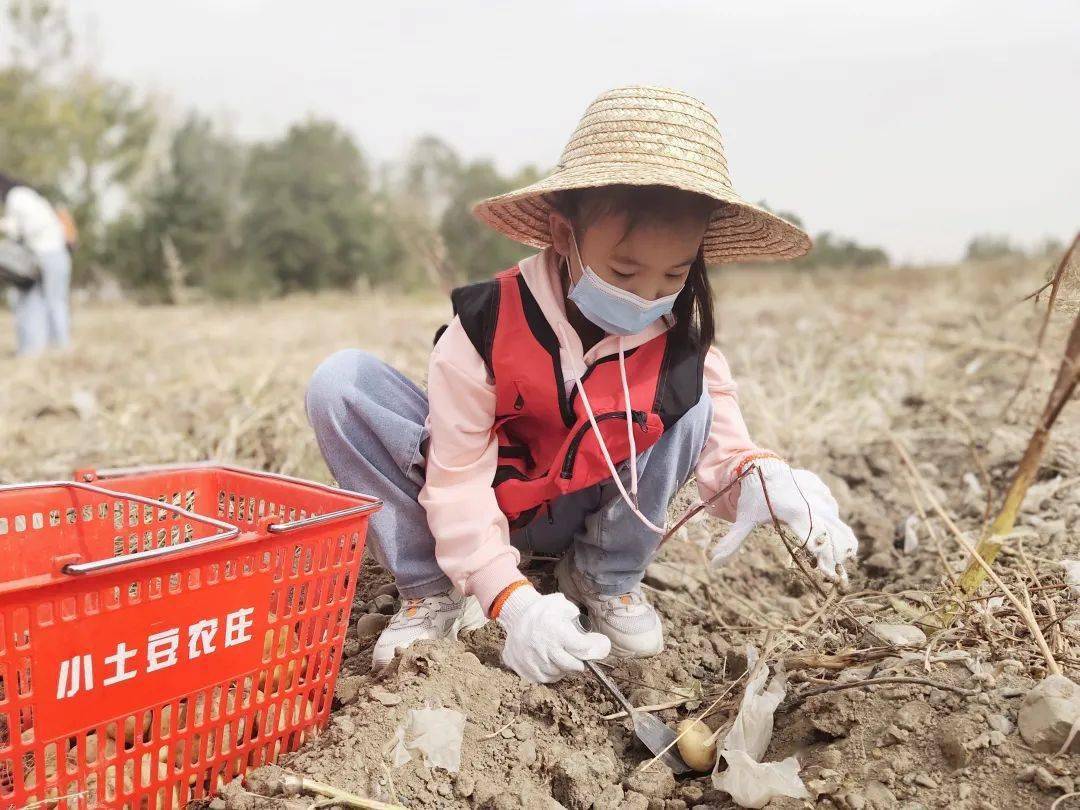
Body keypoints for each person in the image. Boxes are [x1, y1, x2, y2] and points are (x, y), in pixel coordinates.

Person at [306, 86, 859, 683]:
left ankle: (602, 574)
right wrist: (509, 602)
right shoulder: (486, 328)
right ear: (564, 235)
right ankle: (434, 585)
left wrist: (765, 486)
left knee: (691, 404)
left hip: (582, 504)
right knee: (341, 382)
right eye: (623, 270)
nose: (645, 295)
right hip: (489, 494)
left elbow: (722, 453)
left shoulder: (680, 348)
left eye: (673, 274)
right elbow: (458, 479)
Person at [0, 172, 72, 356]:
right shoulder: (27, 195)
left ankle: (59, 347)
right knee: (40, 302)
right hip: (48, 252)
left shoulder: (17, 197)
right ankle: (38, 350)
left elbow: (17, 229)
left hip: (47, 253)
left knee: (51, 301)